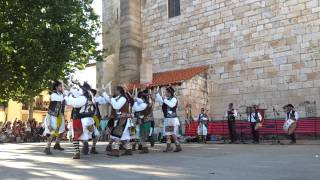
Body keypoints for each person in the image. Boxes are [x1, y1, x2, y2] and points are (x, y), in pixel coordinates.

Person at [65, 82, 99, 159]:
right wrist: (70, 89)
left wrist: (67, 96)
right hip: (89, 119)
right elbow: (77, 95)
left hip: (80, 120)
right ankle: (86, 144)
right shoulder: (91, 98)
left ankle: (77, 152)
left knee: (75, 136)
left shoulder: (83, 98)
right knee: (89, 134)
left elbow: (73, 103)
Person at [102, 86, 133, 157]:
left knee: (116, 135)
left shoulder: (122, 98)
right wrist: (104, 93)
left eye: (115, 90)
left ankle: (116, 151)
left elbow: (116, 106)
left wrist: (112, 98)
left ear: (119, 91)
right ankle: (128, 150)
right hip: (122, 119)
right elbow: (110, 100)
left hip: (123, 119)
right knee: (124, 137)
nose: (114, 91)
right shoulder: (118, 98)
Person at [156, 86, 182, 152]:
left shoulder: (174, 99)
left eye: (166, 92)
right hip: (168, 119)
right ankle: (169, 147)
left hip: (172, 119)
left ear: (170, 93)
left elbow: (171, 105)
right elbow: (161, 100)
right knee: (167, 133)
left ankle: (178, 146)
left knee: (172, 133)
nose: (165, 93)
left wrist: (164, 99)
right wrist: (157, 94)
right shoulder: (166, 99)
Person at [43, 80, 66, 155]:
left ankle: (57, 144)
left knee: (62, 131)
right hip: (52, 116)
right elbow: (61, 99)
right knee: (53, 132)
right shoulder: (53, 95)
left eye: (62, 86)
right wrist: (66, 93)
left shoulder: (61, 94)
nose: (62, 87)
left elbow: (65, 101)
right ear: (56, 87)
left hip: (59, 115)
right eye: (60, 86)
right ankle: (47, 147)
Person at [132, 89, 154, 153]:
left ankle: (144, 148)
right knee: (141, 135)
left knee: (140, 135)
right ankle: (141, 146)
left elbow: (136, 108)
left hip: (143, 121)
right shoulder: (148, 102)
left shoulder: (144, 104)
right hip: (145, 121)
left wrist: (135, 101)